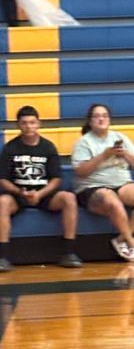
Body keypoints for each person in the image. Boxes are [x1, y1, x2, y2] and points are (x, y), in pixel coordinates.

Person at [0, 106, 82, 271]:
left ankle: (69, 253)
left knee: (69, 198)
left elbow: (56, 178)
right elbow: (3, 179)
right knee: (2, 202)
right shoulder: (10, 148)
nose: (28, 126)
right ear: (18, 125)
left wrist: (40, 194)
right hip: (18, 194)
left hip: (44, 194)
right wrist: (20, 192)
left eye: (32, 122)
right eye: (24, 123)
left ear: (38, 124)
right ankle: (2, 257)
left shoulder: (48, 147)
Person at [71, 104, 134, 263]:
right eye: (97, 116)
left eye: (104, 116)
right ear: (90, 121)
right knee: (113, 202)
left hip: (121, 182)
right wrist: (103, 156)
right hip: (92, 186)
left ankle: (121, 239)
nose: (101, 119)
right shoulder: (84, 142)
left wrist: (125, 154)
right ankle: (131, 242)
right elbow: (80, 172)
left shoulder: (120, 137)